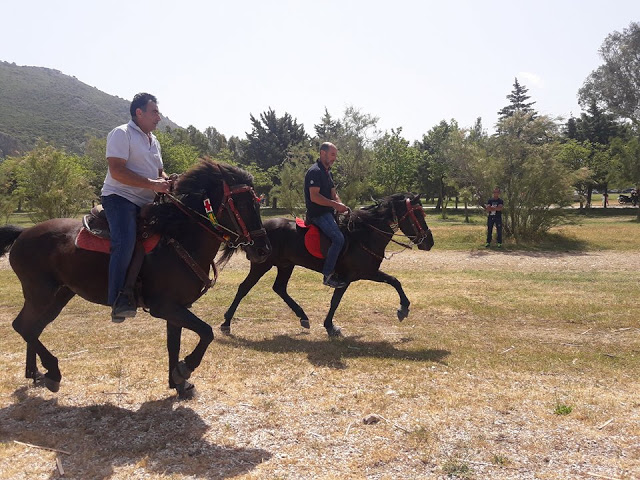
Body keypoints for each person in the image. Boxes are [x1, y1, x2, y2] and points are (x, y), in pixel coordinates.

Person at [101, 93, 172, 322]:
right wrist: (153, 184)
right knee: (125, 242)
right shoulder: (121, 134)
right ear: (138, 113)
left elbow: (158, 171)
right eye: (154, 112)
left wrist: (169, 181)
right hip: (119, 198)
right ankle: (118, 299)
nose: (159, 117)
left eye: (158, 113)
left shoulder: (153, 140)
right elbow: (117, 171)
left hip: (147, 202)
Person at [304, 142, 349, 288]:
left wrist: (343, 207)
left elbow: (333, 194)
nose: (335, 158)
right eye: (332, 154)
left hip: (329, 212)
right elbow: (314, 197)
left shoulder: (328, 172)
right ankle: (328, 275)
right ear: (323, 153)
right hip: (318, 214)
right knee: (338, 238)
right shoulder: (315, 171)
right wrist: (335, 205)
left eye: (335, 155)